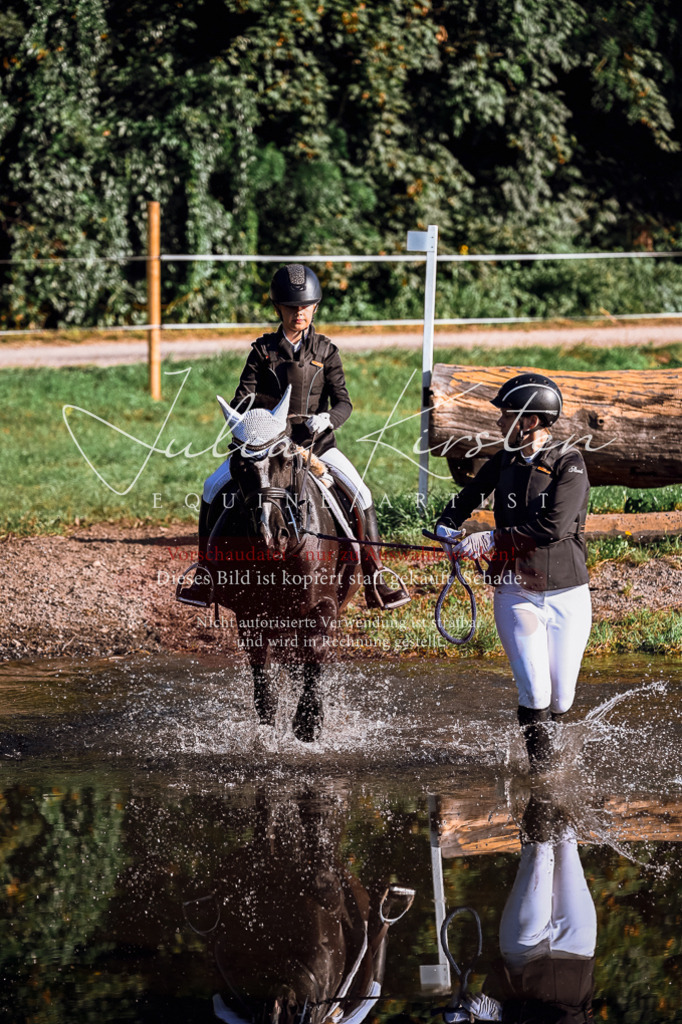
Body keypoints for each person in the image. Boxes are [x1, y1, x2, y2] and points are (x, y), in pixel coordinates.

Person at [183, 263, 410, 610]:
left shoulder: (326, 352)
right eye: (291, 307)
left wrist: (327, 420)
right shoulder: (262, 352)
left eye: (305, 307)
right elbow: (240, 399)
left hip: (316, 447)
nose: (298, 313)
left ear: (315, 307)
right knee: (212, 487)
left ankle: (375, 576)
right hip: (268, 449)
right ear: (279, 309)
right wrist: (254, 422)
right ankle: (205, 574)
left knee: (360, 492)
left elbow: (344, 402)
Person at [434, 373, 591, 771]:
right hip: (515, 589)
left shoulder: (569, 463)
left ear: (530, 421)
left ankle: (552, 768)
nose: (499, 423)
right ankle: (544, 777)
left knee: (561, 699)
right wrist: (447, 527)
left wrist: (489, 540)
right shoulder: (502, 460)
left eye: (507, 416)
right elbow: (464, 500)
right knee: (535, 692)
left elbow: (553, 528)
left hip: (567, 592)